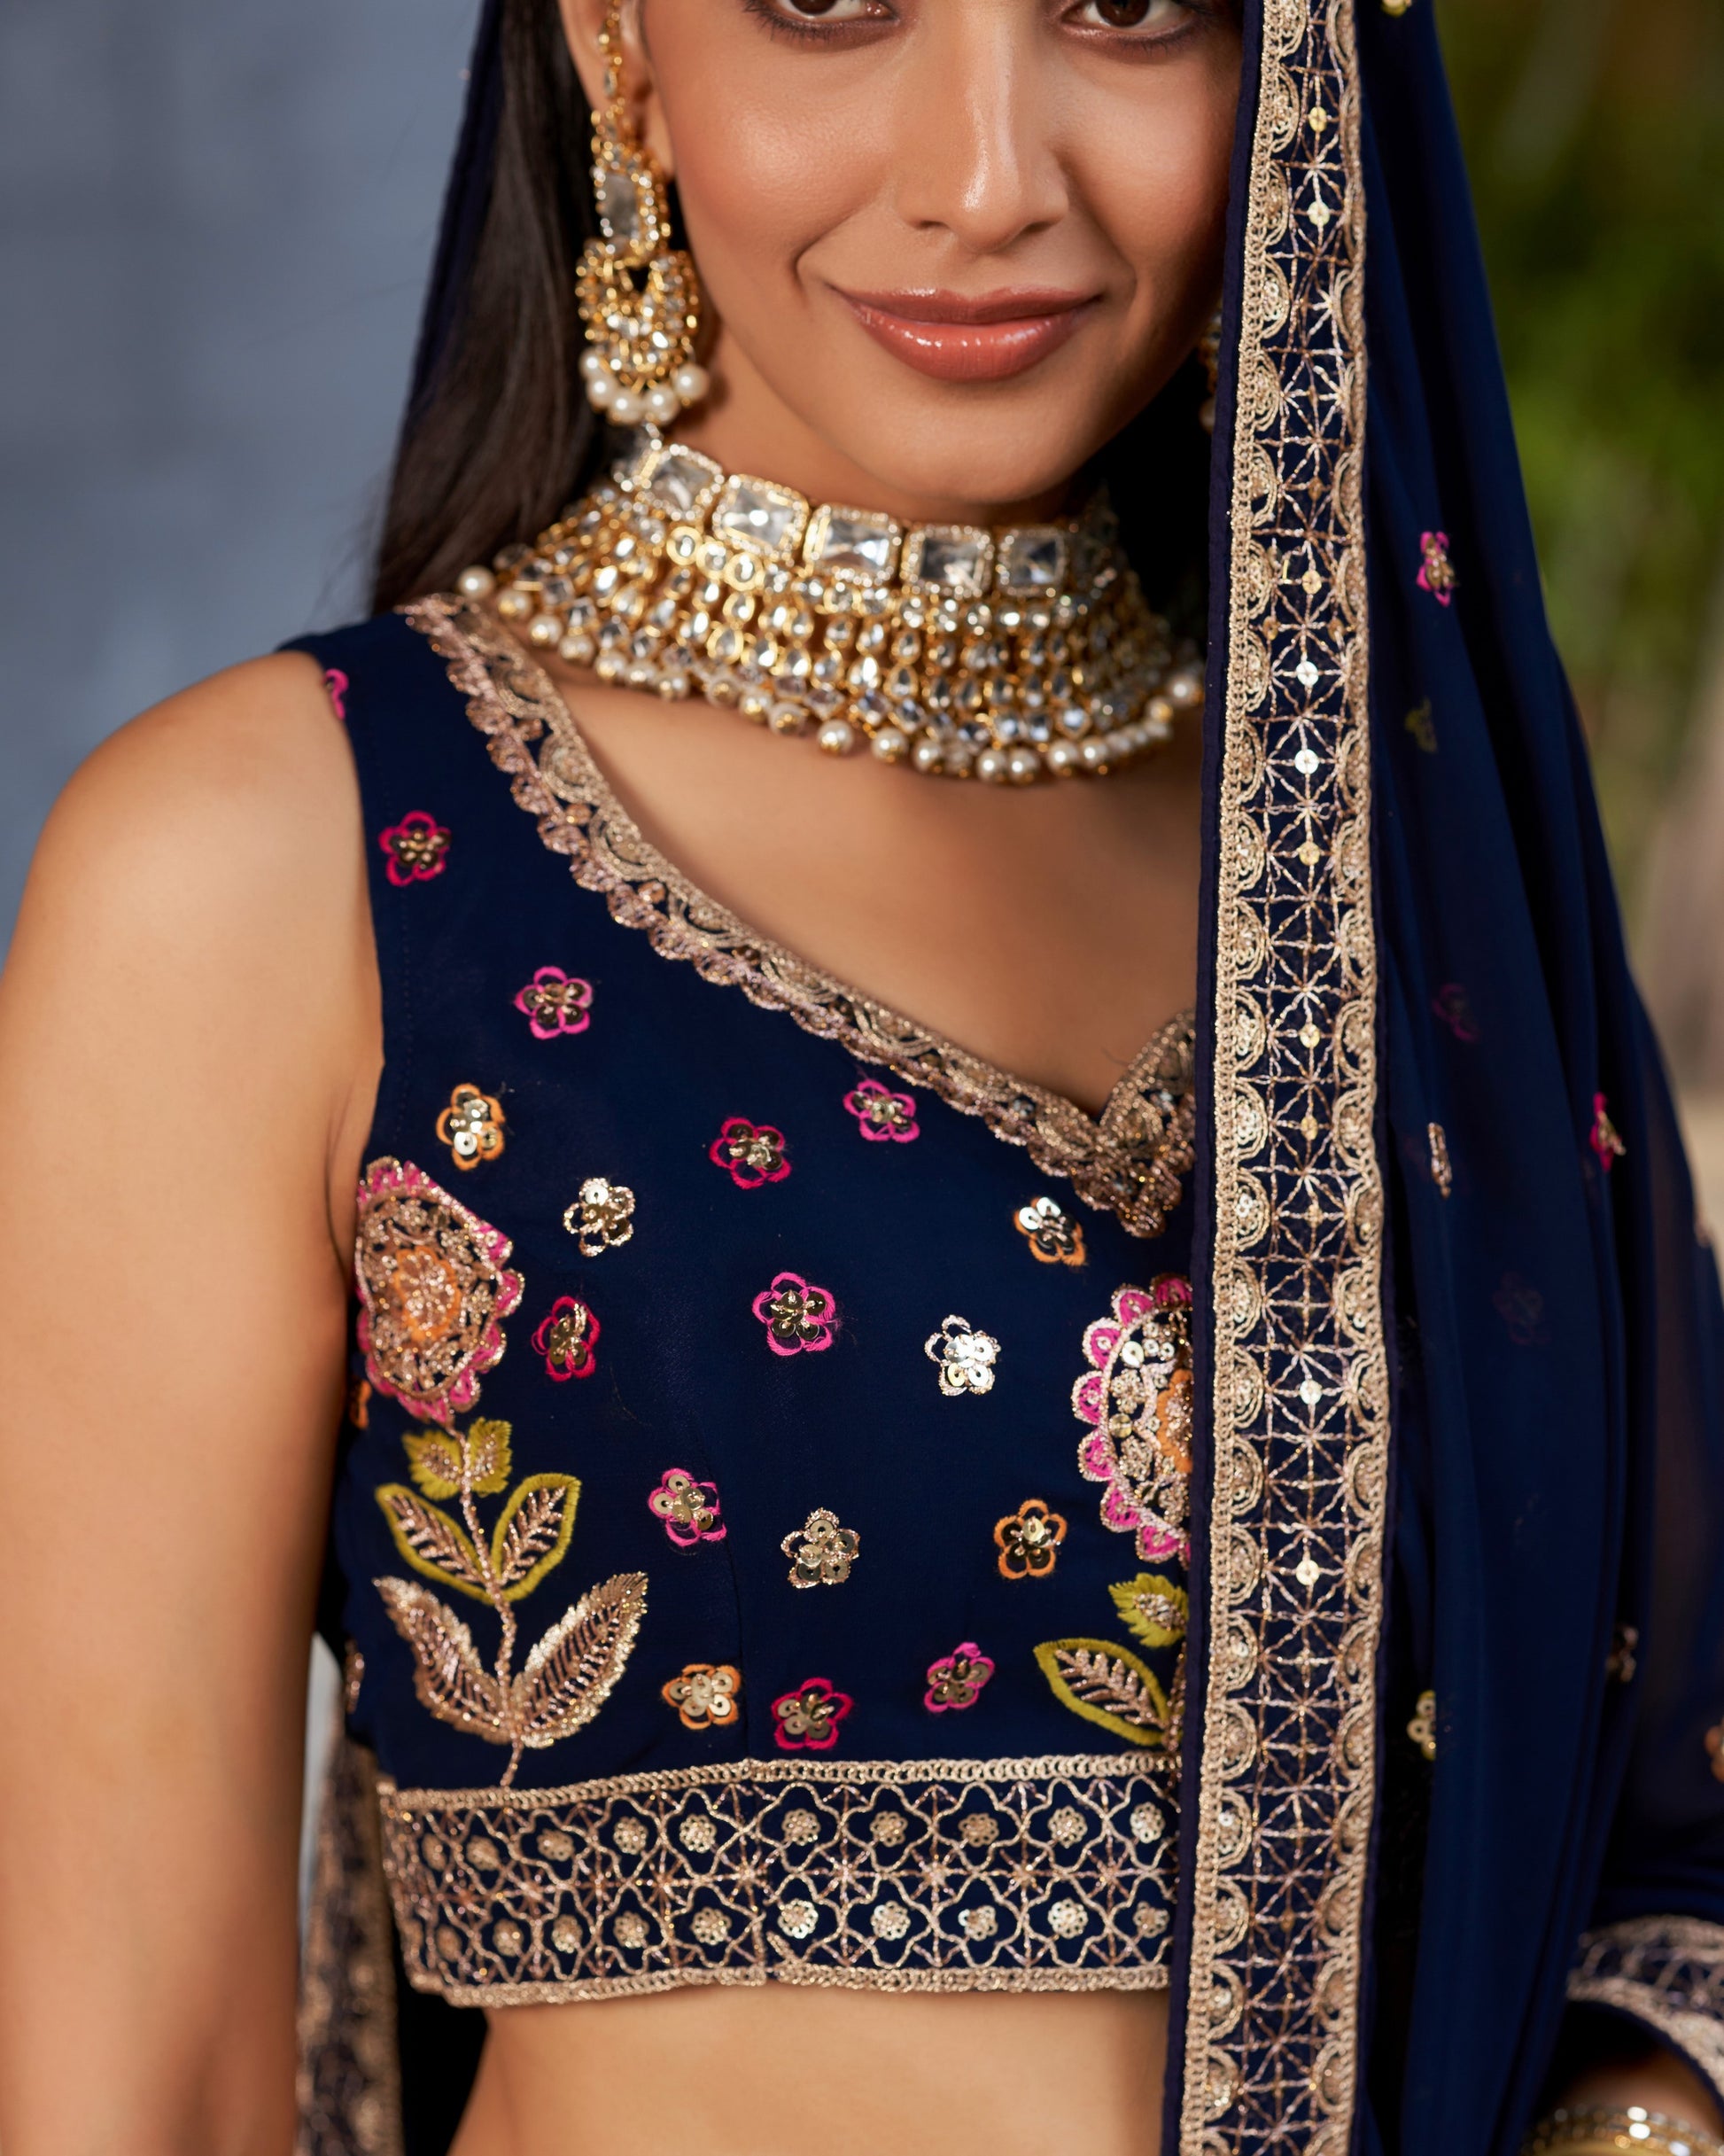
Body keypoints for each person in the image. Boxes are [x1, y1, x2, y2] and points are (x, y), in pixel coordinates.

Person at [2, 0, 1722, 2150]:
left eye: (1128, 11)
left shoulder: (1416, 848)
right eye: (832, 5)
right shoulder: (281, 863)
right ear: (613, 40)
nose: (989, 173)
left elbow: (1670, 1812)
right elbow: (130, 2085)